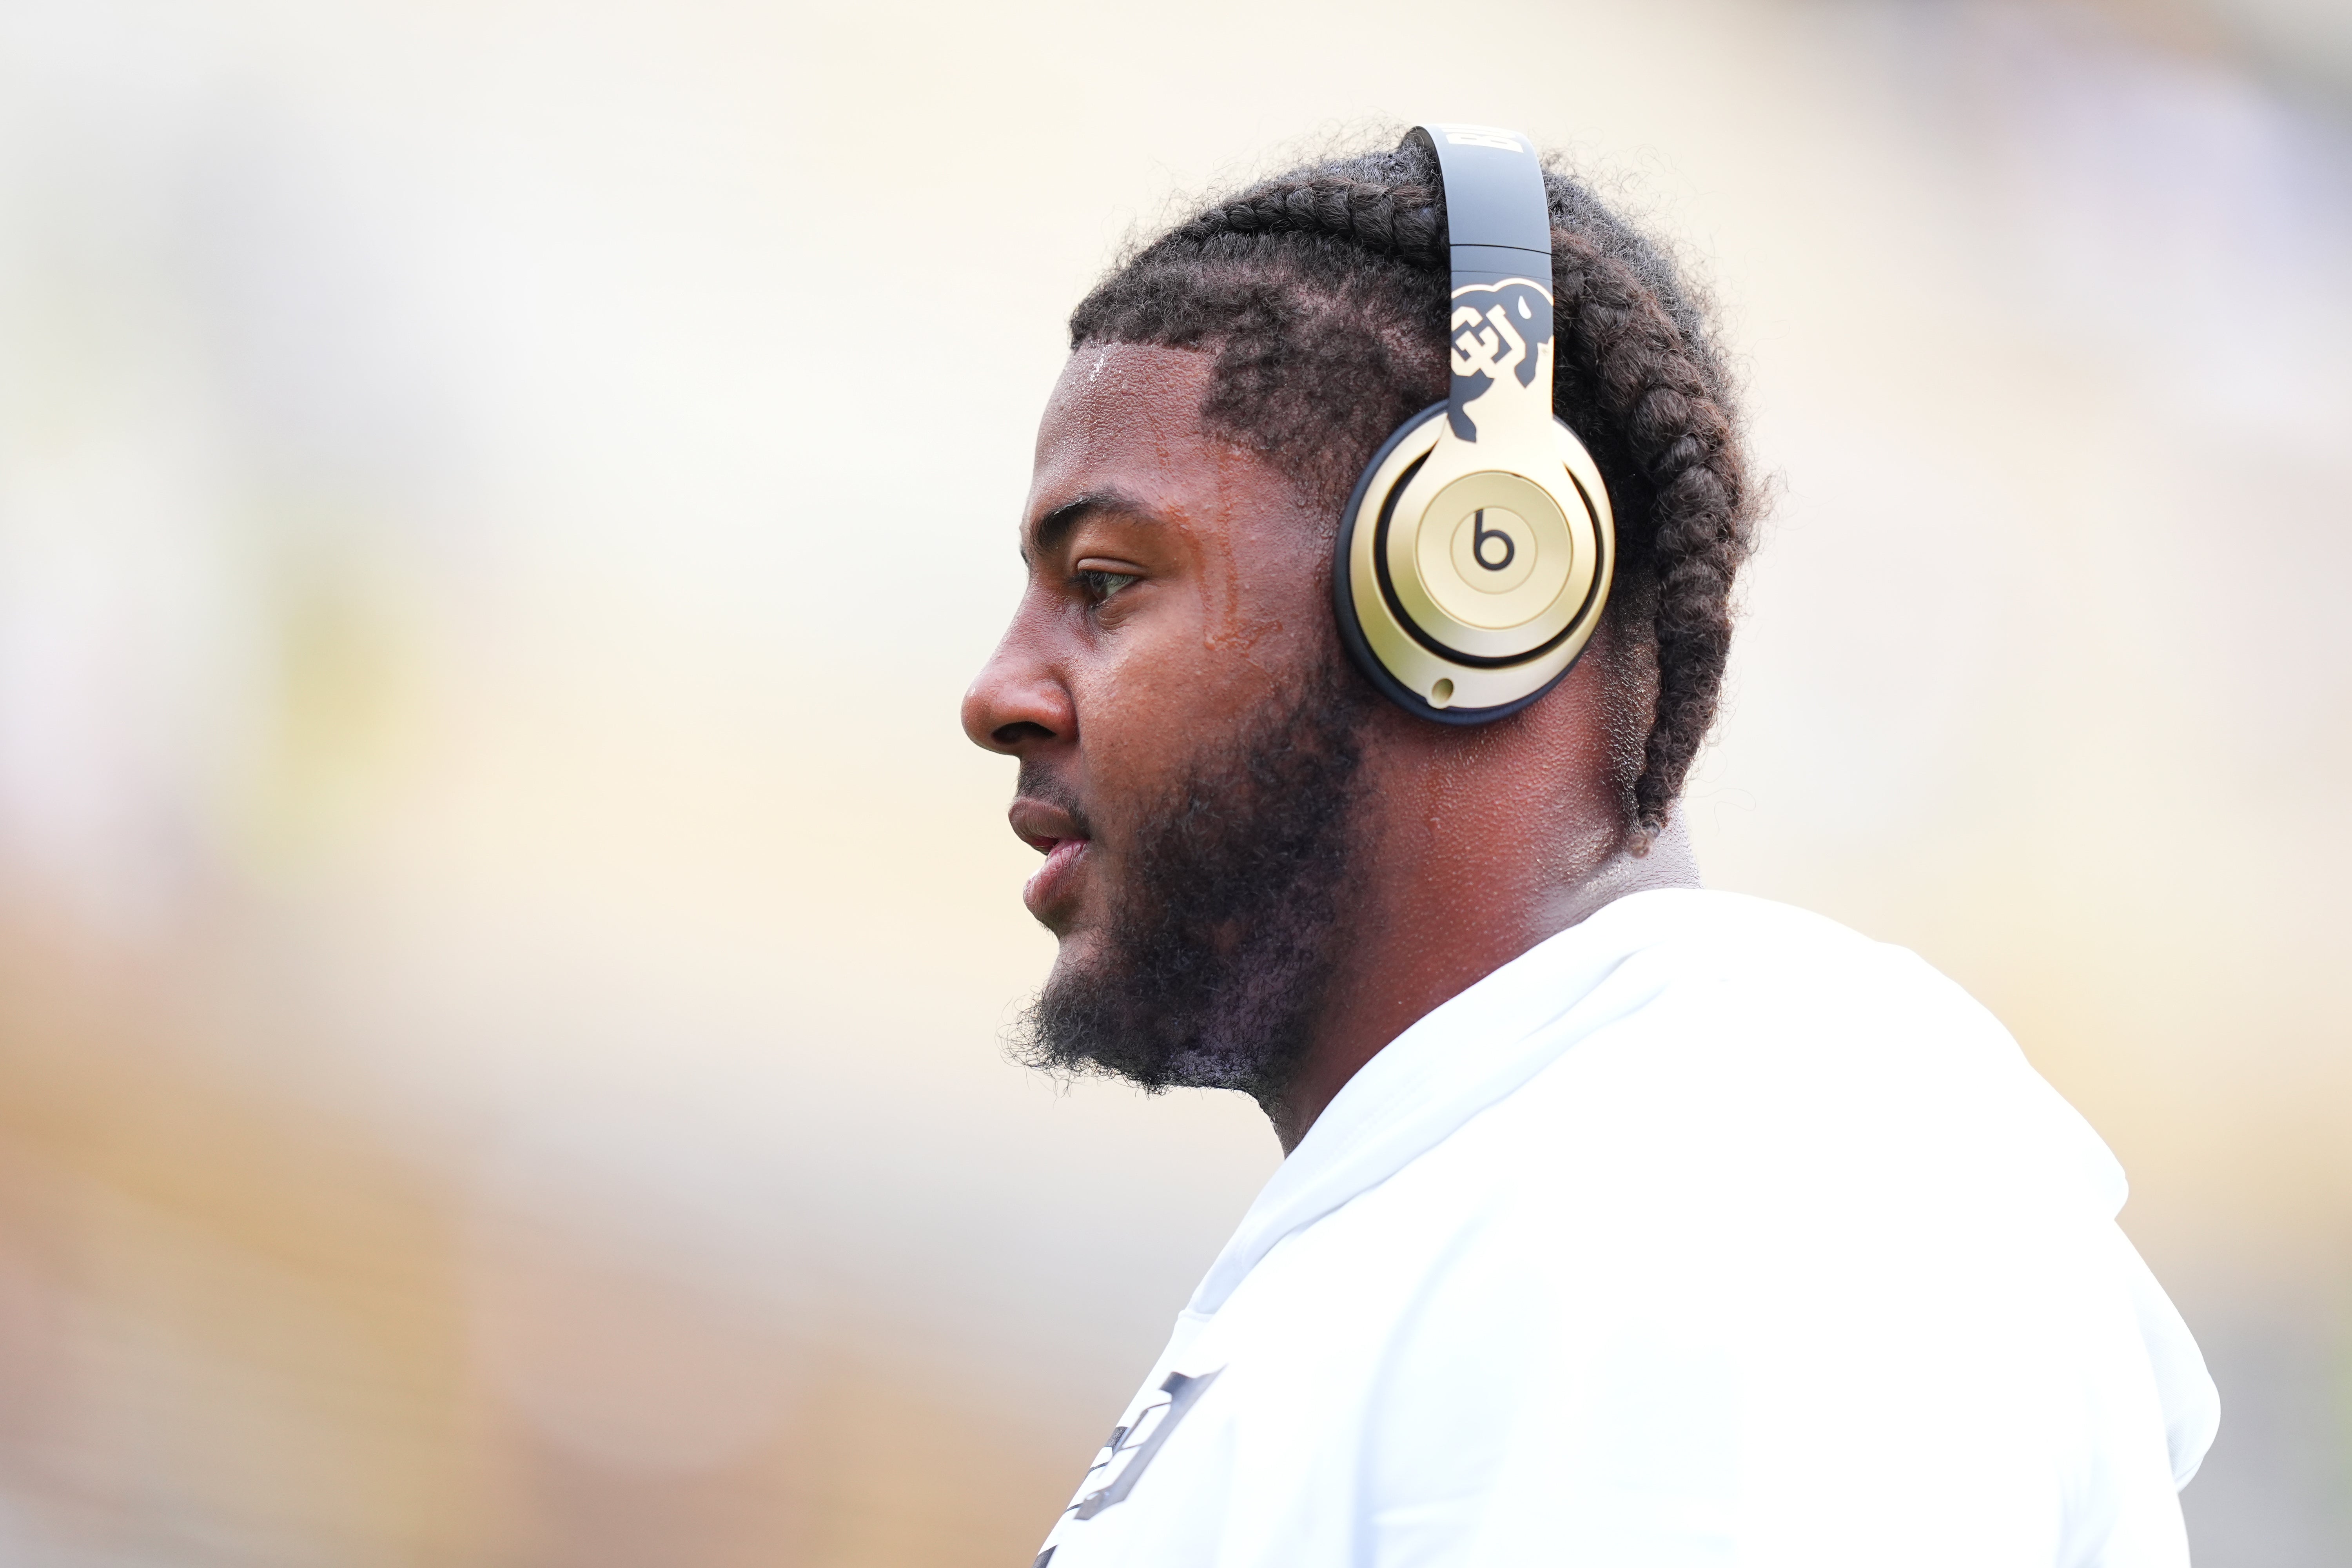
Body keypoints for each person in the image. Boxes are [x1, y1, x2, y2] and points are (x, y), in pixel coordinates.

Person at [960, 126, 2217, 1568]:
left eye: (1105, 582)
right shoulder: (1544, 1190)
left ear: (1475, 577)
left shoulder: (1734, 1194)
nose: (999, 692)